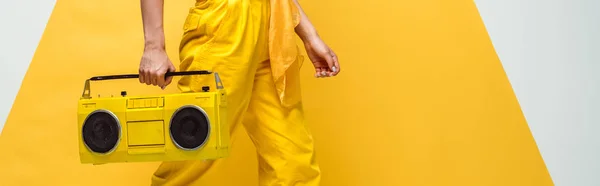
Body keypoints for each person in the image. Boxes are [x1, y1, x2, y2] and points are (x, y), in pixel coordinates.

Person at [138, 0, 340, 185]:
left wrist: (310, 35)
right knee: (196, 150)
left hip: (273, 30)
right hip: (223, 29)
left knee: (293, 162)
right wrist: (153, 46)